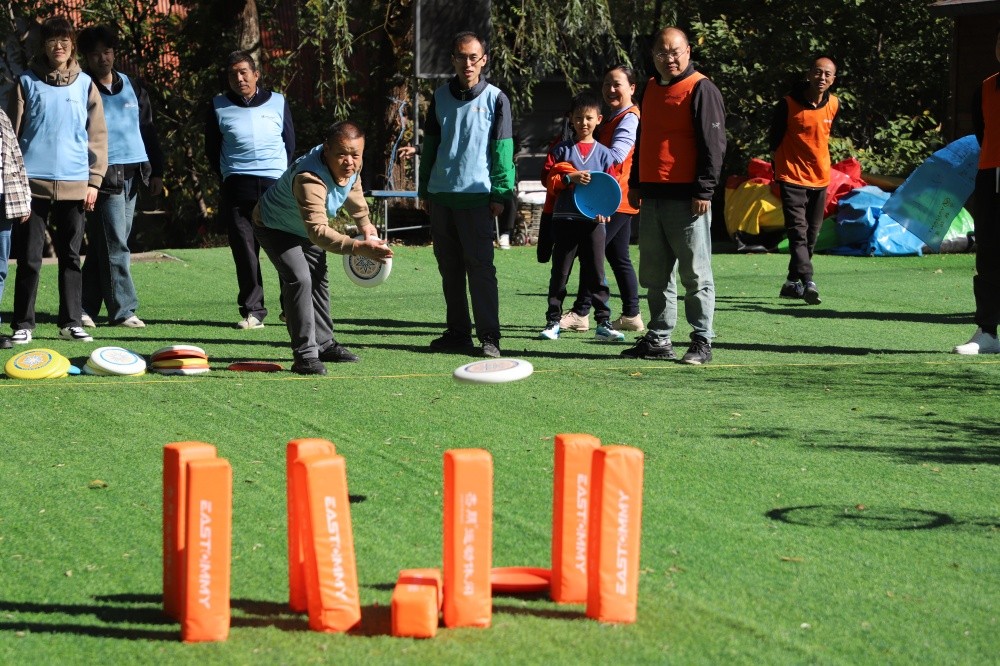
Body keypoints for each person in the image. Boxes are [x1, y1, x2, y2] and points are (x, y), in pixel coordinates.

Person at [620, 26, 726, 365]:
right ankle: (658, 338)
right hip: (653, 195)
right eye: (662, 53)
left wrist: (704, 189)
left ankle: (702, 340)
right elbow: (644, 139)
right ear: (653, 56)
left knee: (695, 274)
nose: (670, 58)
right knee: (655, 274)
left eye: (675, 51)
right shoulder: (650, 87)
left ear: (688, 51)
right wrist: (636, 183)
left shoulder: (701, 88)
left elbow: (714, 145)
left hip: (688, 198)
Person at [252, 120, 392, 375]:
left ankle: (325, 344)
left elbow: (352, 187)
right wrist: (356, 247)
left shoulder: (352, 164)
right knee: (299, 279)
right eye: (342, 154)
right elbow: (317, 231)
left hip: (304, 229)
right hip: (274, 225)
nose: (349, 162)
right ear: (326, 149)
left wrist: (365, 224)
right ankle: (305, 356)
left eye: (355, 155)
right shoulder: (310, 178)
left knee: (318, 279)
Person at [6, 16, 108, 344]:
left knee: (71, 257)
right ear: (43, 45)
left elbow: (97, 137)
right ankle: (23, 324)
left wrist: (93, 181)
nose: (59, 46)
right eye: (52, 40)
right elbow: (9, 136)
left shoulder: (86, 84)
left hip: (75, 184)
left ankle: (71, 322)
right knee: (29, 258)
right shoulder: (26, 82)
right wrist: (12, 183)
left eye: (65, 40)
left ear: (72, 45)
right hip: (30, 185)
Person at [419, 31, 515, 359]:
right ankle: (458, 334)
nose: (468, 63)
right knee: (450, 270)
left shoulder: (496, 99)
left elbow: (503, 150)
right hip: (441, 197)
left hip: (477, 198)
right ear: (453, 60)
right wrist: (424, 189)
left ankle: (490, 337)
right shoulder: (439, 97)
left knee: (481, 270)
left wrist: (500, 194)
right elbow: (430, 146)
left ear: (484, 60)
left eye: (474, 57)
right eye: (461, 56)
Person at [77, 25, 165, 329]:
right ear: (86, 57)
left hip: (134, 173)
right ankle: (124, 310)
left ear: (115, 53)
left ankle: (83, 306)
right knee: (115, 244)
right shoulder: (82, 87)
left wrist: (157, 170)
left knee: (107, 244)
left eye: (107, 51)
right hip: (101, 175)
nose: (103, 58)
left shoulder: (132, 85)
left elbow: (148, 129)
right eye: (95, 54)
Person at [205, 50, 294, 330]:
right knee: (245, 251)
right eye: (233, 74)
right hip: (237, 187)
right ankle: (254, 311)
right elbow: (212, 149)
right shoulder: (218, 105)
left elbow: (289, 143)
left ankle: (291, 309)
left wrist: (280, 176)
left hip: (275, 187)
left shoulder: (278, 102)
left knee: (284, 248)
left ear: (256, 74)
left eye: (244, 72)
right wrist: (229, 175)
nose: (239, 78)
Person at [560, 65, 644, 334]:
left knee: (591, 253)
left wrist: (583, 153)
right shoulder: (612, 118)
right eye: (607, 83)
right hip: (618, 196)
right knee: (618, 256)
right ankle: (631, 314)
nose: (610, 89)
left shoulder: (629, 118)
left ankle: (581, 312)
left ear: (632, 88)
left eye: (617, 84)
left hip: (614, 197)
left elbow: (616, 156)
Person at [537, 92, 624, 342]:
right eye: (578, 118)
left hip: (593, 223)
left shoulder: (605, 154)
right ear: (571, 119)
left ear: (599, 119)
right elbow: (547, 180)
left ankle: (603, 323)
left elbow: (611, 188)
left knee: (597, 274)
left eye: (588, 118)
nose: (583, 123)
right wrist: (569, 178)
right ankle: (553, 321)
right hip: (564, 221)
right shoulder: (560, 150)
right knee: (560, 274)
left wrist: (606, 211)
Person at [769, 56, 839, 306]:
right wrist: (778, 170)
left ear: (833, 79)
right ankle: (808, 281)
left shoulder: (834, 104)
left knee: (811, 235)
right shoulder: (788, 104)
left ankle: (791, 282)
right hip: (791, 177)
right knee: (797, 233)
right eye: (818, 72)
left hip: (820, 179)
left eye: (827, 74)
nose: (822, 78)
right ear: (809, 74)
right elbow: (773, 140)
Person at [955, 28, 1000, 354]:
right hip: (991, 174)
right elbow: (983, 133)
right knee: (989, 253)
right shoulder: (985, 87)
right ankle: (988, 331)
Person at [0, 110, 32, 349]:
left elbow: (17, 158)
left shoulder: (1, 116)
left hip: (4, 201)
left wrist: (25, 196)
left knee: (0, 269)